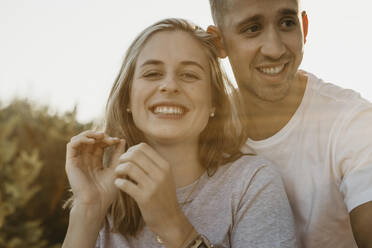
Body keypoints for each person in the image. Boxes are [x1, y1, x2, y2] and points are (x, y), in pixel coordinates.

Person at [62, 18, 297, 248]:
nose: (170, 85)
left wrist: (174, 227)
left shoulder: (251, 183)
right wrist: (88, 208)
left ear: (214, 101)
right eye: (152, 73)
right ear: (128, 99)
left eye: (189, 75)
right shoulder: (103, 190)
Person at [206, 0, 372, 247]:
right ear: (219, 42)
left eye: (287, 23)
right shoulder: (202, 131)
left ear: (303, 28)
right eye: (252, 28)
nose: (274, 49)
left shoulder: (353, 122)